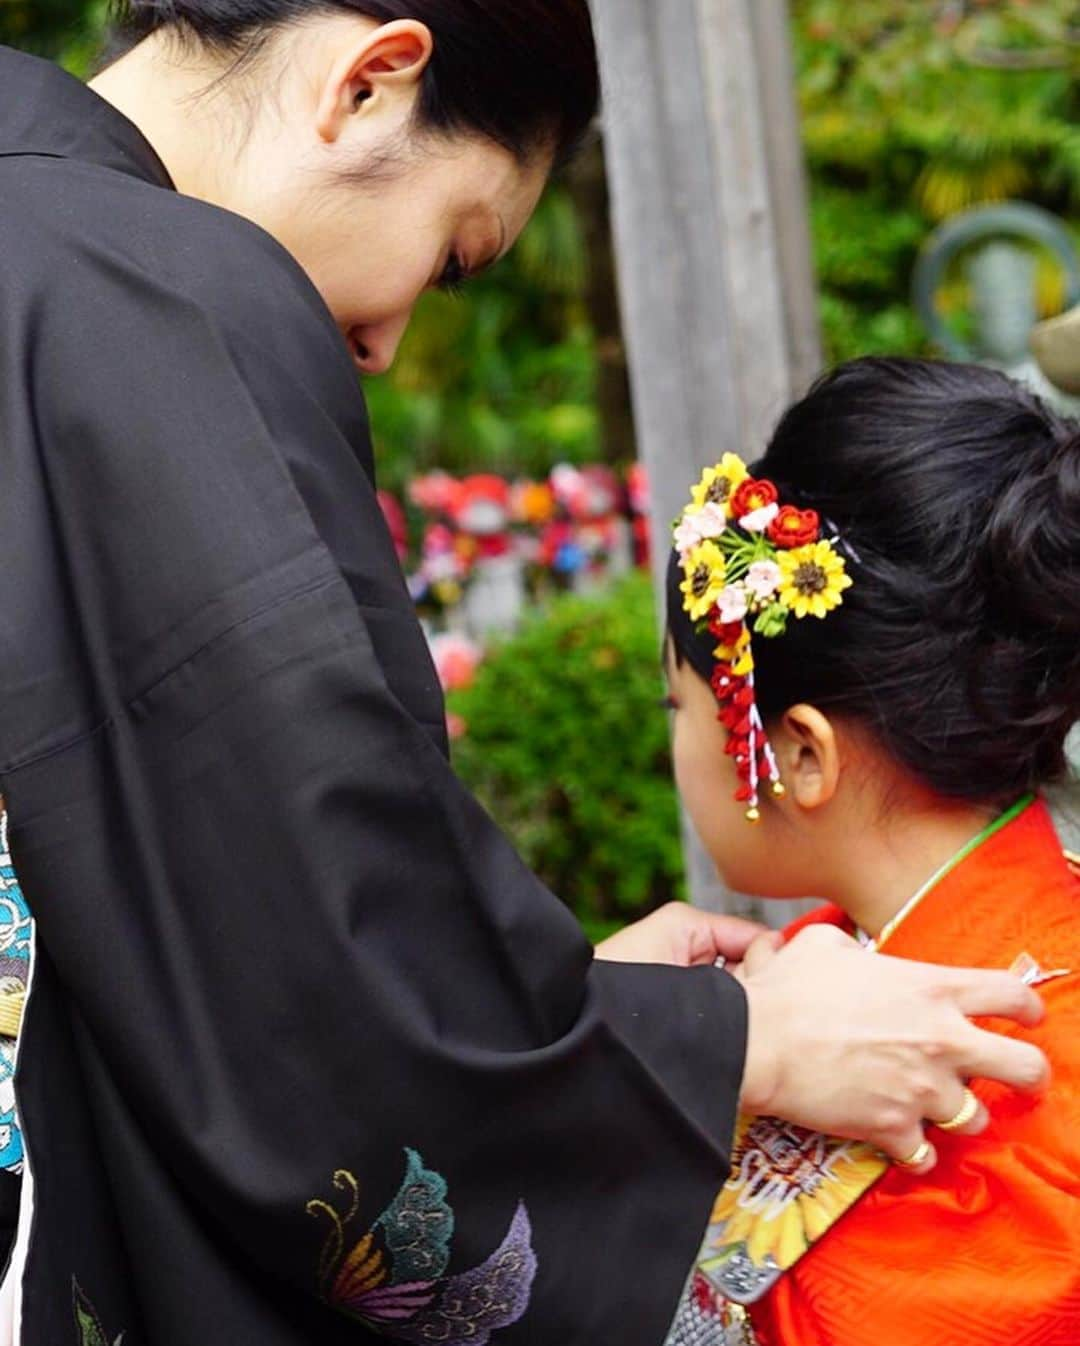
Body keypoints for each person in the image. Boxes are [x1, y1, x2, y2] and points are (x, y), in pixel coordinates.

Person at [0, 7, 1047, 1343]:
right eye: (456, 255)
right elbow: (319, 998)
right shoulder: (167, 299)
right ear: (373, 81)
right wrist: (731, 1047)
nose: (378, 347)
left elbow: (183, 943)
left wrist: (576, 1014)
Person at [663, 357, 1080, 1344]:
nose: (673, 741)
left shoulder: (1029, 1073)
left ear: (799, 752)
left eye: (678, 704)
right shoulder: (816, 966)